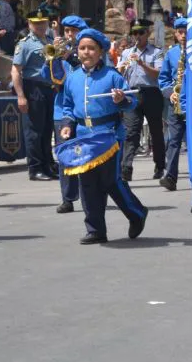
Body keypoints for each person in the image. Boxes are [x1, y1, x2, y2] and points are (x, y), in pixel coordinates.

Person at [58, 28, 148, 244]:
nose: (86, 52)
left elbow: (132, 102)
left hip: (109, 135)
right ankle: (95, 229)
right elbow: (68, 106)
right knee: (87, 183)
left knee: (110, 181)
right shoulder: (72, 78)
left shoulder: (112, 76)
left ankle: (137, 213)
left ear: (100, 52)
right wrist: (67, 125)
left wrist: (121, 100)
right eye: (82, 48)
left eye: (91, 48)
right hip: (83, 137)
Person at [41, 15, 88, 213]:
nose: (69, 35)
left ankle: (88, 194)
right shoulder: (59, 53)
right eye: (66, 31)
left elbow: (89, 70)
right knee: (65, 155)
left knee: (86, 154)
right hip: (62, 110)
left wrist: (71, 56)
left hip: (84, 109)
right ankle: (67, 198)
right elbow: (49, 78)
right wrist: (53, 59)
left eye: (73, 31)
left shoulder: (90, 49)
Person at [11, 9, 57, 181]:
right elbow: (16, 70)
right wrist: (21, 95)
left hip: (49, 87)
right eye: (36, 23)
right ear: (29, 24)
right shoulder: (25, 44)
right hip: (33, 87)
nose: (40, 26)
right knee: (34, 131)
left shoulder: (51, 40)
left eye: (42, 23)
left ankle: (47, 164)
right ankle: (35, 167)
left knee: (47, 129)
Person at [117, 18, 165, 181]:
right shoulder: (126, 52)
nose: (137, 36)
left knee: (156, 131)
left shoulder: (156, 52)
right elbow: (122, 76)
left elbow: (158, 74)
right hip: (132, 93)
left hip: (151, 93)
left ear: (148, 33)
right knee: (131, 131)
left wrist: (142, 63)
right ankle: (126, 167)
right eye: (134, 33)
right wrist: (122, 69)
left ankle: (160, 165)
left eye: (141, 33)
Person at [157, 18, 191, 195]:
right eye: (180, 32)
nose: (183, 35)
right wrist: (170, 92)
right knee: (172, 140)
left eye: (186, 31)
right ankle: (170, 176)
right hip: (175, 103)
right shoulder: (171, 54)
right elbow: (162, 79)